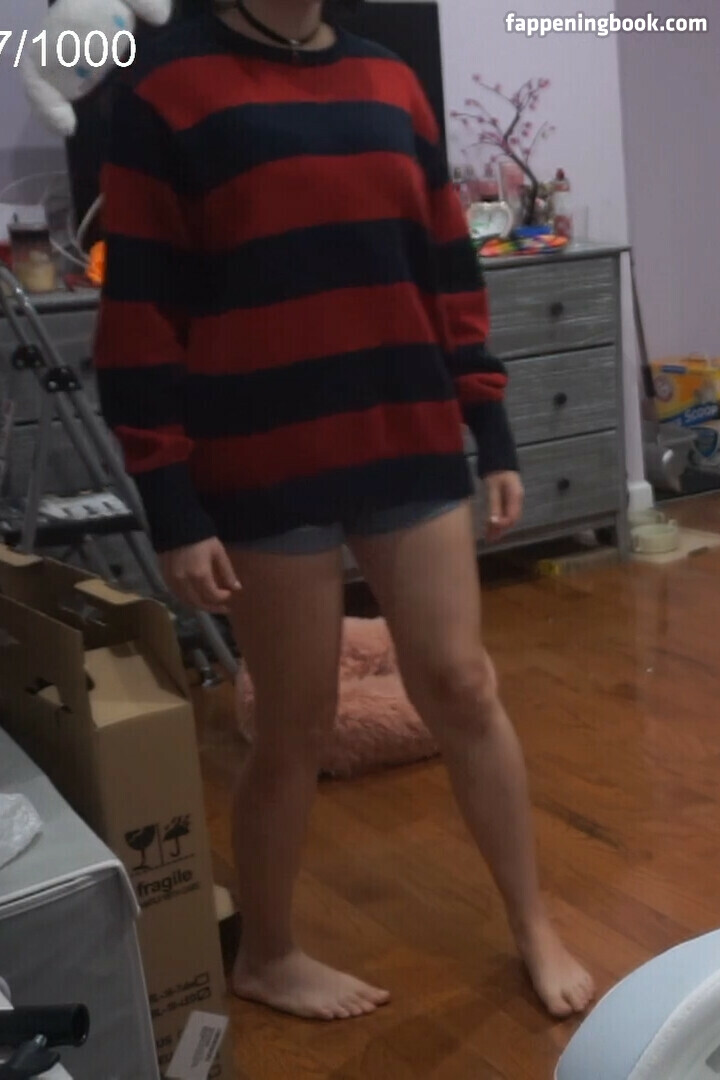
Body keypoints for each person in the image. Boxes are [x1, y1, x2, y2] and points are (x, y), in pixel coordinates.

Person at [94, 0, 595, 1022]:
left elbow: (446, 266)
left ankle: (532, 922)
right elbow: (138, 312)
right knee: (294, 725)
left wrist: (491, 429)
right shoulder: (163, 88)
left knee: (463, 683)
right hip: (260, 455)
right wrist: (173, 505)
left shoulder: (390, 81)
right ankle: (267, 955)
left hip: (407, 432)